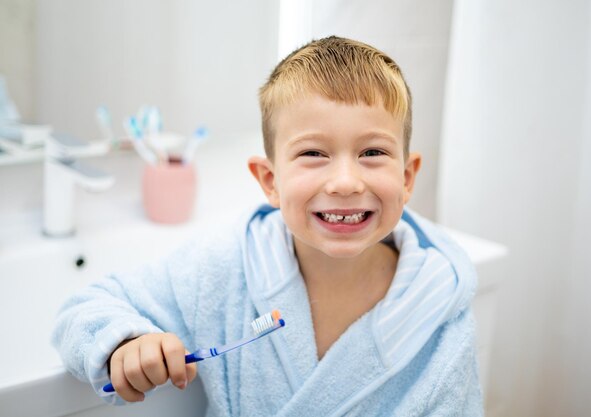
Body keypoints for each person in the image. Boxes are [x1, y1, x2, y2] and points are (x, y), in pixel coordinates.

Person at [52, 36, 483, 416]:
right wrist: (126, 343)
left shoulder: (438, 311)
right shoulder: (224, 266)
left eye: (372, 152)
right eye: (314, 153)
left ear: (407, 178)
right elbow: (86, 308)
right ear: (270, 181)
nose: (347, 182)